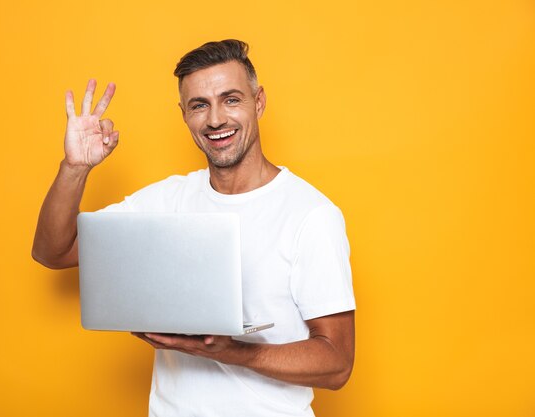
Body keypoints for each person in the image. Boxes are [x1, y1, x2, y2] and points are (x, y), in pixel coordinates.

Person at [32, 39, 356, 417]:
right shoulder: (165, 201)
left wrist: (232, 350)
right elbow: (53, 251)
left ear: (259, 102)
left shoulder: (311, 214)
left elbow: (337, 364)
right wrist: (75, 167)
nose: (215, 119)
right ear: (184, 114)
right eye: (199, 105)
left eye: (231, 99)